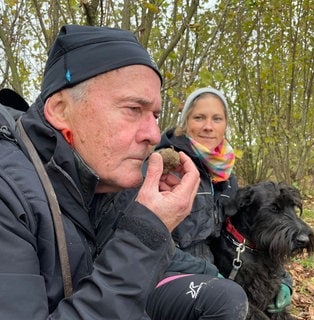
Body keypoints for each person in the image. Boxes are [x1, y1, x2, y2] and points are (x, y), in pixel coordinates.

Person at [0, 25, 248, 319]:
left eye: (155, 115)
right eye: (133, 109)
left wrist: (212, 272)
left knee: (225, 298)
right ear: (60, 110)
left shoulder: (111, 177)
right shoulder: (9, 191)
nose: (155, 135)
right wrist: (147, 229)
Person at [152, 87, 293, 314]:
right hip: (172, 275)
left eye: (217, 119)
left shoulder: (227, 178)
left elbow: (252, 234)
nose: (208, 126)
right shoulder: (166, 167)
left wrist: (284, 280)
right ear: (185, 122)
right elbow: (152, 241)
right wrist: (208, 272)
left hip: (220, 272)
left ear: (225, 125)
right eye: (199, 117)